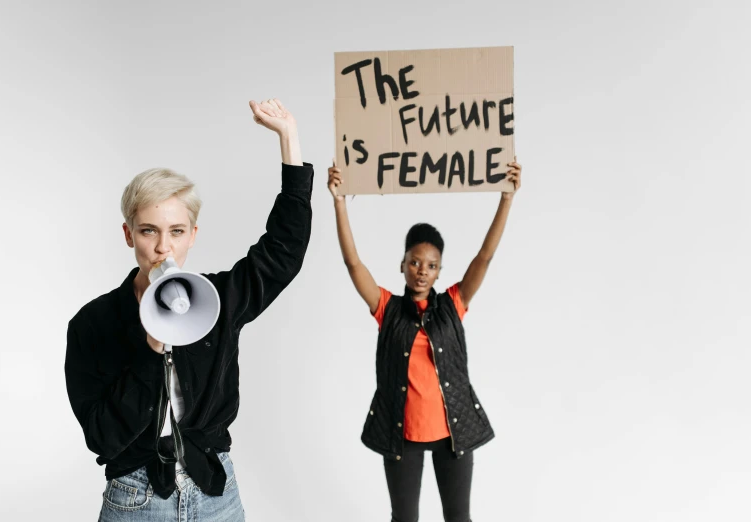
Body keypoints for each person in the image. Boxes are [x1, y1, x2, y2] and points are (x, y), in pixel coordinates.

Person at [65, 99, 312, 521]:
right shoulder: (93, 323)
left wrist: (289, 140)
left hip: (216, 492)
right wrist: (152, 348)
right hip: (136, 498)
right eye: (149, 231)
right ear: (129, 235)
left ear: (192, 235)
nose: (163, 247)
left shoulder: (219, 299)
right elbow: (103, 437)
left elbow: (282, 253)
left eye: (176, 231)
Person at [327, 157, 522, 522]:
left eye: (431, 265)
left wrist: (506, 198)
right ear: (402, 264)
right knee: (404, 519)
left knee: (458, 518)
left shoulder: (453, 304)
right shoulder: (387, 308)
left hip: (453, 433)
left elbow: (485, 255)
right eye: (415, 262)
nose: (422, 271)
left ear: (439, 271)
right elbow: (354, 263)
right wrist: (339, 201)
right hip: (402, 435)